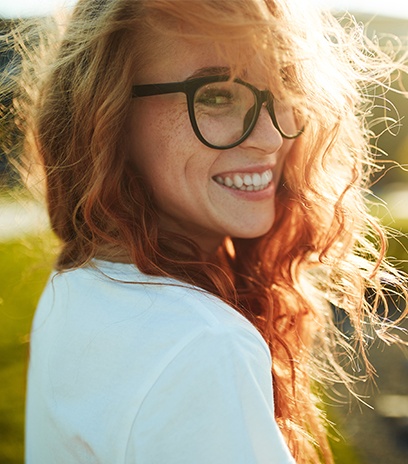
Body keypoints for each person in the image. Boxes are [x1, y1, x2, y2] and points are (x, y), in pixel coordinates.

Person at [3, 0, 407, 462]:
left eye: (286, 87)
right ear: (105, 116)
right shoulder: (202, 344)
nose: (272, 139)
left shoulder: (82, 285)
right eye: (216, 95)